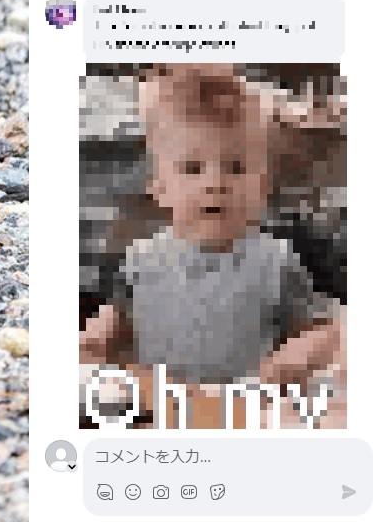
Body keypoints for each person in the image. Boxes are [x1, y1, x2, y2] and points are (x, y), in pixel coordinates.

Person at [80, 64, 342, 427]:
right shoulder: (140, 260)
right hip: (160, 413)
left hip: (242, 414)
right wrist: (91, 345)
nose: (215, 183)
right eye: (191, 168)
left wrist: (281, 369)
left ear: (262, 186)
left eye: (236, 168)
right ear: (160, 188)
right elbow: (117, 323)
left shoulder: (275, 262)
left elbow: (322, 331)